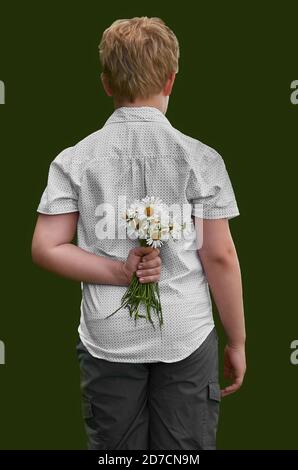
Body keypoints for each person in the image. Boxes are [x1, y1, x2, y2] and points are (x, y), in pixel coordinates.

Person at [31, 16, 246, 450]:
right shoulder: (201, 159)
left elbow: (46, 247)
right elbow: (220, 256)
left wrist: (116, 272)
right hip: (187, 334)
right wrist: (237, 341)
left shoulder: (73, 160)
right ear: (170, 80)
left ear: (106, 83)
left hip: (107, 341)